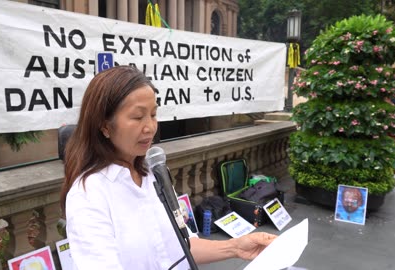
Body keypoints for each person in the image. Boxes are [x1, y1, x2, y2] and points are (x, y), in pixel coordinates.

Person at [60, 65, 277, 269]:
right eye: (137, 117)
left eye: (153, 115)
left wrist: (236, 246)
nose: (150, 127)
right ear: (105, 126)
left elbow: (182, 246)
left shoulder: (154, 175)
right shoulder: (89, 194)